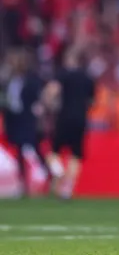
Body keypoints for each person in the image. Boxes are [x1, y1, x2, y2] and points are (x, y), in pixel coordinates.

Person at [43, 50, 95, 200]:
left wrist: (48, 105)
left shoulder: (63, 74)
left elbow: (51, 91)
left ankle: (58, 173)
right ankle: (67, 188)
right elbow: (92, 101)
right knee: (76, 154)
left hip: (64, 116)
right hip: (81, 118)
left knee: (53, 151)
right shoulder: (88, 78)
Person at [0, 48, 50, 198]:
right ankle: (23, 183)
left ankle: (51, 174)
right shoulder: (9, 80)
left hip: (28, 120)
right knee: (20, 150)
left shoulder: (32, 80)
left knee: (33, 148)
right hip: (14, 120)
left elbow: (38, 99)